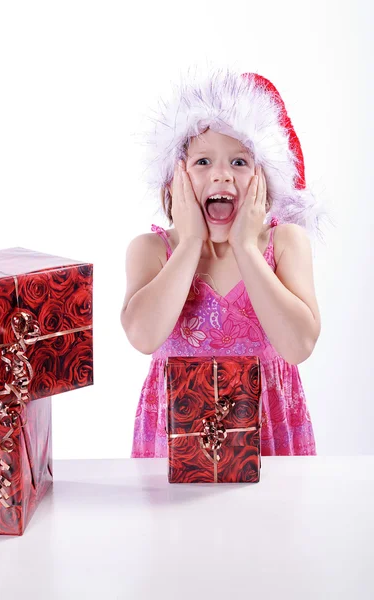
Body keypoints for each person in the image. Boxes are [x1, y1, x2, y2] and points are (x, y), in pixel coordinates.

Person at [120, 65, 332, 457]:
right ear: (175, 179)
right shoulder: (151, 251)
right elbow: (143, 336)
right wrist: (190, 245)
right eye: (202, 162)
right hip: (176, 442)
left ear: (265, 177)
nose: (221, 176)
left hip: (267, 437)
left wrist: (247, 248)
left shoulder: (285, 244)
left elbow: (299, 345)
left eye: (239, 162)